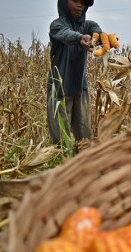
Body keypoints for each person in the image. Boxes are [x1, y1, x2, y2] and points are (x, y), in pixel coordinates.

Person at [47, 0, 101, 147]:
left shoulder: (89, 25)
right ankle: (63, 166)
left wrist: (104, 39)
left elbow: (97, 33)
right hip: (59, 90)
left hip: (80, 89)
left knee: (84, 138)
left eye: (83, 2)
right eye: (75, 1)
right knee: (61, 141)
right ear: (64, 3)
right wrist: (80, 38)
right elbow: (65, 34)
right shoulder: (57, 25)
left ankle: (84, 166)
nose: (80, 6)